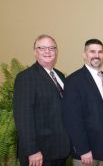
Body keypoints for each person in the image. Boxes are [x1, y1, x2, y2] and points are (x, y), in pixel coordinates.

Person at [13, 34, 70, 166]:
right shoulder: (26, 78)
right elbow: (23, 118)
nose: (48, 51)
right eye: (42, 48)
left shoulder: (60, 76)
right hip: (39, 154)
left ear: (56, 51)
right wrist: (32, 150)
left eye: (51, 48)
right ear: (35, 51)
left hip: (59, 150)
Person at [62, 39, 103, 166]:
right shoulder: (73, 81)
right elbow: (72, 119)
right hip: (87, 149)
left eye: (100, 52)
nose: (97, 55)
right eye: (92, 51)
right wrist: (83, 149)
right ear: (84, 54)